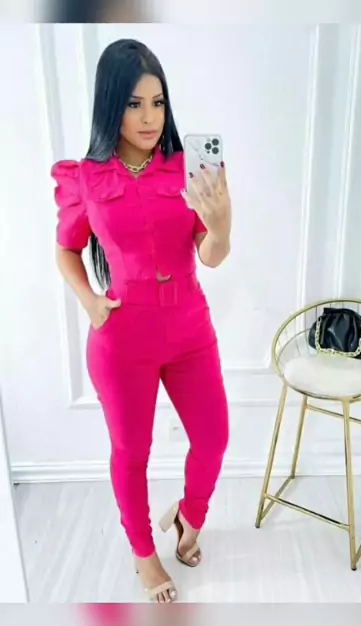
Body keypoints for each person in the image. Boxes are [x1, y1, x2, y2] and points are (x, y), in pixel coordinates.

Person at [52, 39, 231, 603]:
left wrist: (222, 224)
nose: (150, 117)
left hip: (189, 329)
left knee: (215, 438)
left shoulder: (188, 169)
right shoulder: (86, 178)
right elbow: (66, 249)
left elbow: (211, 255)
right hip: (122, 336)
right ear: (111, 106)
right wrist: (89, 299)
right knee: (132, 452)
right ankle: (143, 554)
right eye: (134, 104)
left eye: (158, 102)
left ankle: (188, 515)